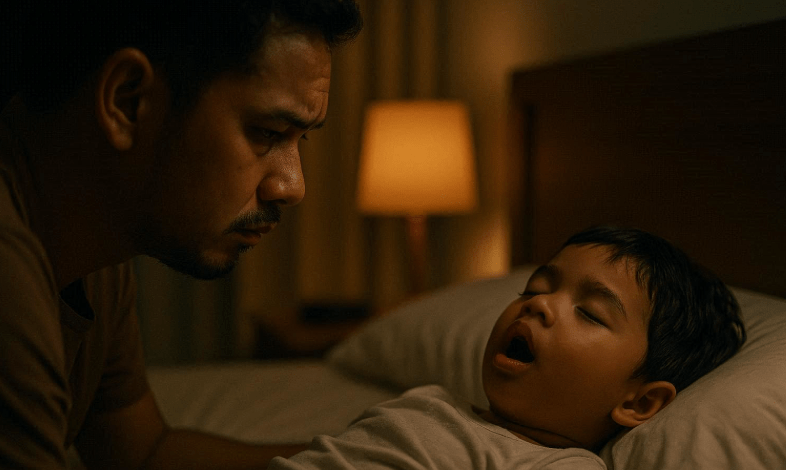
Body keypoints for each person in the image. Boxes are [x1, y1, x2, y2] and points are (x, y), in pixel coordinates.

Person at [0, 1, 362, 468]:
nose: (292, 187)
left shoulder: (94, 252)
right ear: (128, 101)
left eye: (301, 139)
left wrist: (378, 453)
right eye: (267, 132)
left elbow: (142, 452)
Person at [268, 226, 746, 469]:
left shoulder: (556, 465)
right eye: (536, 288)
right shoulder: (434, 402)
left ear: (639, 401)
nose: (538, 306)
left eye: (591, 313)